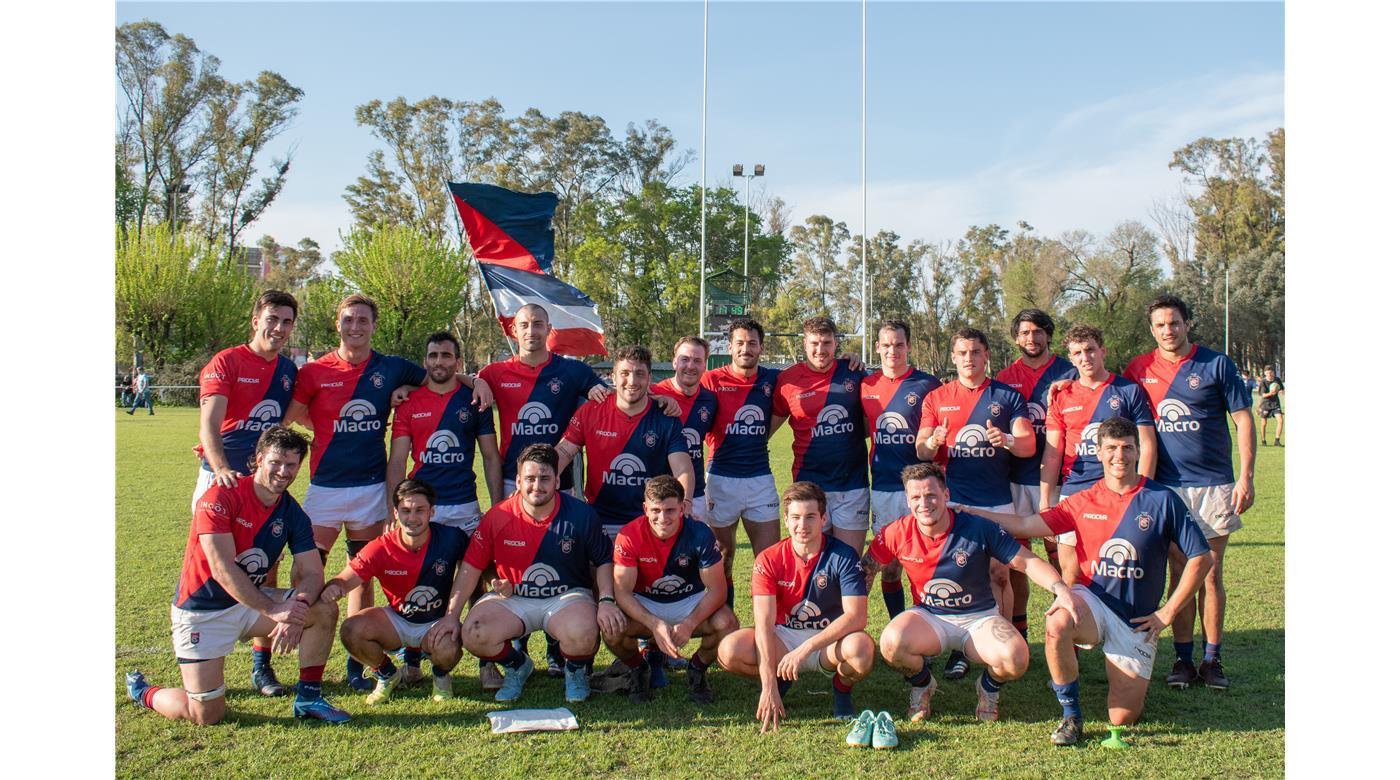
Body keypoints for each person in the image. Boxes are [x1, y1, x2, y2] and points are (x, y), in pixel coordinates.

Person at [955, 417, 1213, 746]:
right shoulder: (1082, 501)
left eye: (1126, 448)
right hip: (1091, 603)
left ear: (1137, 451)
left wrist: (1168, 612)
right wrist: (971, 514)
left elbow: (1201, 558)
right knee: (1058, 621)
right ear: (1098, 452)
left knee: (1123, 717)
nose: (1119, 455)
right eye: (1111, 449)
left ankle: (1128, 679)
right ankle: (1071, 715)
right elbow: (1024, 523)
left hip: (1136, 619)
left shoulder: (1162, 499)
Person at [286, 293, 489, 690]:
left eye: (363, 320)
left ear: (374, 326)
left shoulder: (393, 367)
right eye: (349, 320)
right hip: (325, 485)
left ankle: (355, 667)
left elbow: (438, 375)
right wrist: (325, 426)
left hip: (370, 487)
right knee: (307, 570)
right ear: (337, 323)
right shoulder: (313, 371)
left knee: (363, 573)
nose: (356, 326)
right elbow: (292, 414)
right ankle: (286, 659)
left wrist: (476, 380)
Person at [124, 426, 350, 725]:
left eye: (291, 465)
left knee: (322, 608)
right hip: (203, 611)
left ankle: (308, 698)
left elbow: (311, 571)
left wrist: (297, 609)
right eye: (276, 462)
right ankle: (145, 692)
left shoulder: (291, 512)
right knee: (205, 715)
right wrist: (274, 609)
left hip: (249, 605)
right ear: (258, 459)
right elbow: (222, 568)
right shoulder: (220, 496)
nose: (283, 471)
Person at [864, 463, 1078, 723]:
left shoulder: (978, 528)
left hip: (979, 619)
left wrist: (1059, 588)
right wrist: (851, 616)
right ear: (908, 501)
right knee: (891, 643)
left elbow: (1026, 562)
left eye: (931, 495)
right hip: (930, 617)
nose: (924, 503)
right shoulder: (896, 532)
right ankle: (922, 685)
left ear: (946, 495)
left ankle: (988, 687)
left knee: (1016, 659)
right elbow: (866, 570)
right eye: (916, 497)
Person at [1122, 294, 1254, 690]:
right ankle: (1182, 660)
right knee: (1178, 573)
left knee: (1210, 576)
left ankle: (1212, 660)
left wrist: (1246, 476)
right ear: (1152, 329)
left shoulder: (1216, 364)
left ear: (1187, 324)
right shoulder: (1138, 368)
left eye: (1174, 323)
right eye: (1160, 325)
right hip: (1164, 488)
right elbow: (1111, 400)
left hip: (1213, 485)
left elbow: (1243, 421)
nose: (1168, 330)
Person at [426, 444, 622, 704]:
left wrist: (606, 601)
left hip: (567, 597)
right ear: (518, 481)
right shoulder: (498, 516)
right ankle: (518, 665)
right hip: (514, 597)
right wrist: (451, 616)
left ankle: (574, 672)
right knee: (474, 632)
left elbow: (603, 560)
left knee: (584, 632)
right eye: (529, 479)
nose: (537, 486)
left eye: (544, 479)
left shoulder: (580, 513)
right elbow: (470, 569)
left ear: (556, 480)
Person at [188, 290, 301, 695]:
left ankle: (261, 664)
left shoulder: (288, 369)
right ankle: (197, 647)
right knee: (211, 566)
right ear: (256, 320)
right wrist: (221, 471)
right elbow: (209, 426)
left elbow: (301, 412)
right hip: (223, 481)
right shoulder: (227, 362)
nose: (279, 328)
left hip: (263, 483)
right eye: (272, 319)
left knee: (264, 564)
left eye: (287, 322)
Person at [386, 331, 504, 687]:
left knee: (479, 584)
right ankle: (413, 661)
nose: (439, 362)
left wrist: (498, 507)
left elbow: (489, 456)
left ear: (458, 362)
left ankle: (488, 661)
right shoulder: (408, 402)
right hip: (423, 511)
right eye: (433, 356)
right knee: (418, 581)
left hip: (465, 505)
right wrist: (396, 509)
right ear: (425, 361)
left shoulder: (473, 400)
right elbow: (397, 461)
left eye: (446, 356)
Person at [915, 327, 1034, 678]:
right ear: (954, 357)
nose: (969, 358)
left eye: (976, 352)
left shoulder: (1007, 396)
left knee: (1000, 574)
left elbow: (1027, 445)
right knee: (959, 571)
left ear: (986, 356)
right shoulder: (937, 398)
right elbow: (921, 450)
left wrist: (1009, 439)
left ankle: (1001, 642)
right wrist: (934, 439)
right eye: (963, 353)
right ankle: (960, 649)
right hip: (953, 500)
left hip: (996, 500)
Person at [717, 482, 875, 728]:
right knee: (729, 651)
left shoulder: (843, 555)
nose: (802, 526)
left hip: (828, 640)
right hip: (784, 637)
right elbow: (764, 624)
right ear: (786, 520)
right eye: (796, 518)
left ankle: (842, 691)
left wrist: (806, 649)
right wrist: (767, 685)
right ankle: (780, 681)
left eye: (810, 517)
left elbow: (856, 617)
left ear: (823, 519)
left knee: (862, 650)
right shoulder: (768, 559)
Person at [320, 480, 470, 704]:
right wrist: (335, 588)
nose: (412, 518)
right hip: (397, 619)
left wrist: (453, 616)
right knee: (352, 629)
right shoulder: (381, 546)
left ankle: (441, 678)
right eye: (406, 511)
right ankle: (387, 675)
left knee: (449, 646)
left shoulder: (451, 538)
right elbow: (346, 578)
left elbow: (474, 568)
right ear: (395, 512)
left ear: (432, 511)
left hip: (436, 622)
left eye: (420, 510)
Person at [605, 475, 737, 703]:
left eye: (670, 510)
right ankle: (639, 670)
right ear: (645, 508)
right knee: (612, 629)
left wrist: (689, 623)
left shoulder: (700, 533)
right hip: (644, 601)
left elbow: (717, 590)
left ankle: (697, 669)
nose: (662, 518)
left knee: (727, 624)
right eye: (655, 510)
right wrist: (654, 624)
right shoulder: (629, 535)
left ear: (682, 507)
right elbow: (622, 592)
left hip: (688, 601)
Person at [994, 309, 1077, 639]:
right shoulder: (1003, 378)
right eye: (1026, 332)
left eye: (1039, 331)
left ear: (1049, 335)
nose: (1032, 338)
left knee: (1062, 559)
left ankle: (1070, 622)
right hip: (1014, 479)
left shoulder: (1069, 372)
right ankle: (1020, 629)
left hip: (1060, 480)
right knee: (1018, 559)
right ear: (1016, 337)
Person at [556, 345, 694, 538]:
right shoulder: (592, 410)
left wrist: (685, 503)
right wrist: (539, 477)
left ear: (648, 377)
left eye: (639, 373)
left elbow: (683, 470)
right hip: (600, 519)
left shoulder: (666, 416)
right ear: (613, 377)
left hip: (649, 521)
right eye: (625, 373)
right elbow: (564, 452)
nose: (632, 381)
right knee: (596, 568)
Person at [699, 319, 785, 607]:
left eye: (752, 343)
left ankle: (774, 629)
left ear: (761, 347)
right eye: (740, 343)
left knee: (770, 558)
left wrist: (851, 360)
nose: (745, 348)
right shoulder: (711, 380)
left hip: (760, 479)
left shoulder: (773, 379)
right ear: (730, 346)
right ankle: (728, 626)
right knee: (723, 555)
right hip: (721, 478)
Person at [859, 319, 941, 619]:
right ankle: (899, 624)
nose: (892, 350)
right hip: (883, 486)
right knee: (890, 566)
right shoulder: (866, 384)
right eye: (887, 345)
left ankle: (931, 624)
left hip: (921, 488)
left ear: (908, 346)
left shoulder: (928, 384)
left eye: (899, 344)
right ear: (877, 347)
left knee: (928, 561)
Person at [772, 316, 871, 554]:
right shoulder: (787, 380)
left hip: (852, 485)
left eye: (826, 343)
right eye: (814, 343)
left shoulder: (854, 373)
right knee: (812, 562)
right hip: (810, 486)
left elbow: (870, 427)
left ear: (836, 343)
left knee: (848, 562)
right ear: (805, 344)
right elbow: (765, 431)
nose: (820, 349)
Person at [1041, 323, 1157, 512]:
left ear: (1103, 351)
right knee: (1070, 543)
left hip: (1119, 488)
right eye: (1077, 353)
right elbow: (1053, 453)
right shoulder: (1061, 395)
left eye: (1090, 350)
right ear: (1071, 359)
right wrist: (1045, 502)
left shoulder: (1128, 391)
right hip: (1075, 490)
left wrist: (1142, 492)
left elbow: (1146, 445)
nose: (1085, 358)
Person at [1257, 367, 1284, 446]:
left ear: (1273, 373)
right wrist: (1271, 393)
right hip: (1265, 404)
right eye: (1268, 373)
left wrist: (1281, 391)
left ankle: (1277, 440)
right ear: (1265, 373)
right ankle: (1263, 440)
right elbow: (1263, 395)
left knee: (1280, 420)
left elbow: (1281, 389)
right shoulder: (1263, 382)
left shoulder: (1277, 380)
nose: (1269, 374)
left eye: (1271, 372)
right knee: (1264, 423)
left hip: (1275, 404)